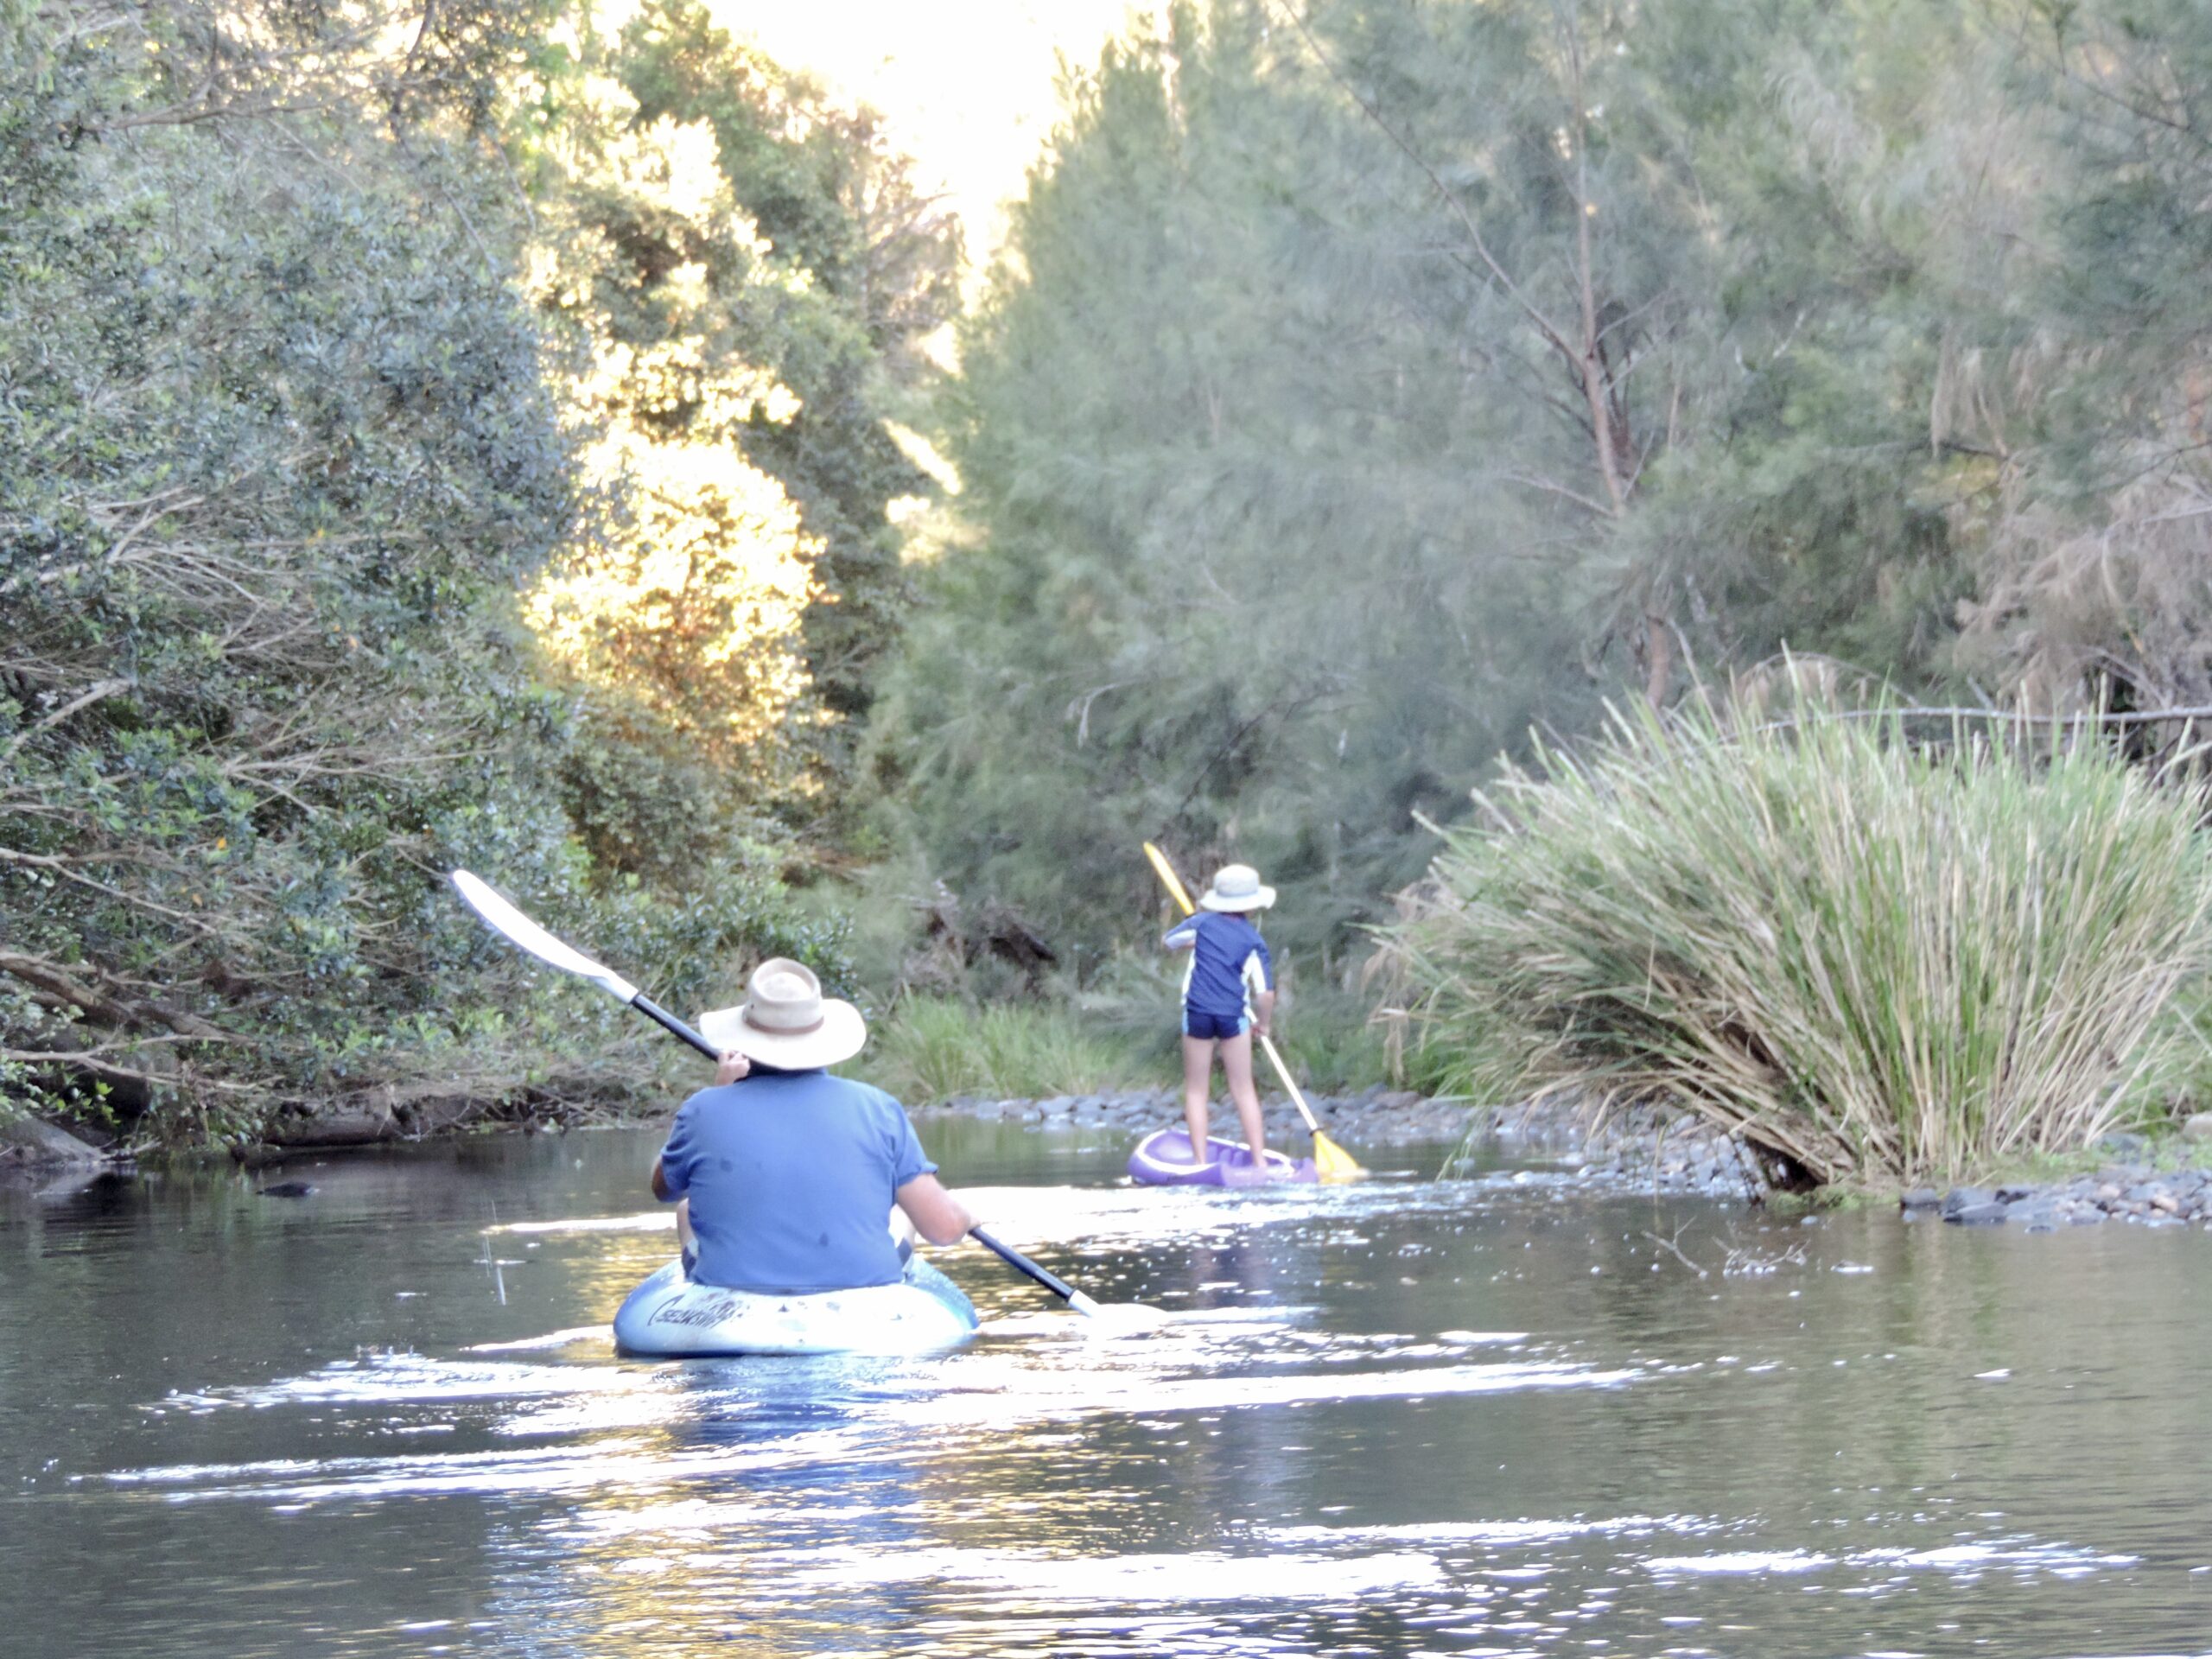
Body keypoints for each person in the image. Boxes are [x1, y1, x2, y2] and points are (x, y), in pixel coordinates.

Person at [649, 957, 977, 1291]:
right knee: (903, 1212)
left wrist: (718, 1094)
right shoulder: (880, 1108)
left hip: (733, 1295)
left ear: (742, 1041)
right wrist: (966, 1217)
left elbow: (664, 1188)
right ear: (821, 1038)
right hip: (860, 1295)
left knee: (686, 1208)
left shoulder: (703, 1109)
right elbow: (944, 1230)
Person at [1161, 862, 1279, 1167]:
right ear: (1252, 905)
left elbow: (1169, 942)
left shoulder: (1201, 923)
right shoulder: (1255, 941)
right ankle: (1259, 1163)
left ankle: (1201, 1163)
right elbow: (1265, 993)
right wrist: (1264, 1025)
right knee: (1243, 1089)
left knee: (1197, 1090)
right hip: (1233, 1017)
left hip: (1198, 1014)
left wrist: (1195, 938)